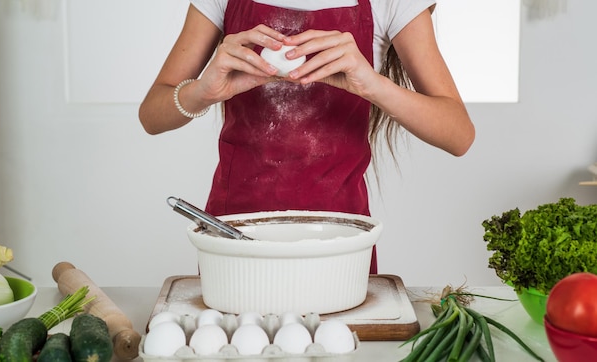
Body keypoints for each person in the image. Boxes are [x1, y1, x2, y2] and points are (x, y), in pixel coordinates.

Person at [139, 0, 476, 274]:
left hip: (339, 239)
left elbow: (458, 134)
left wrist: (370, 83)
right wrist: (201, 91)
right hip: (236, 234)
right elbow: (151, 116)